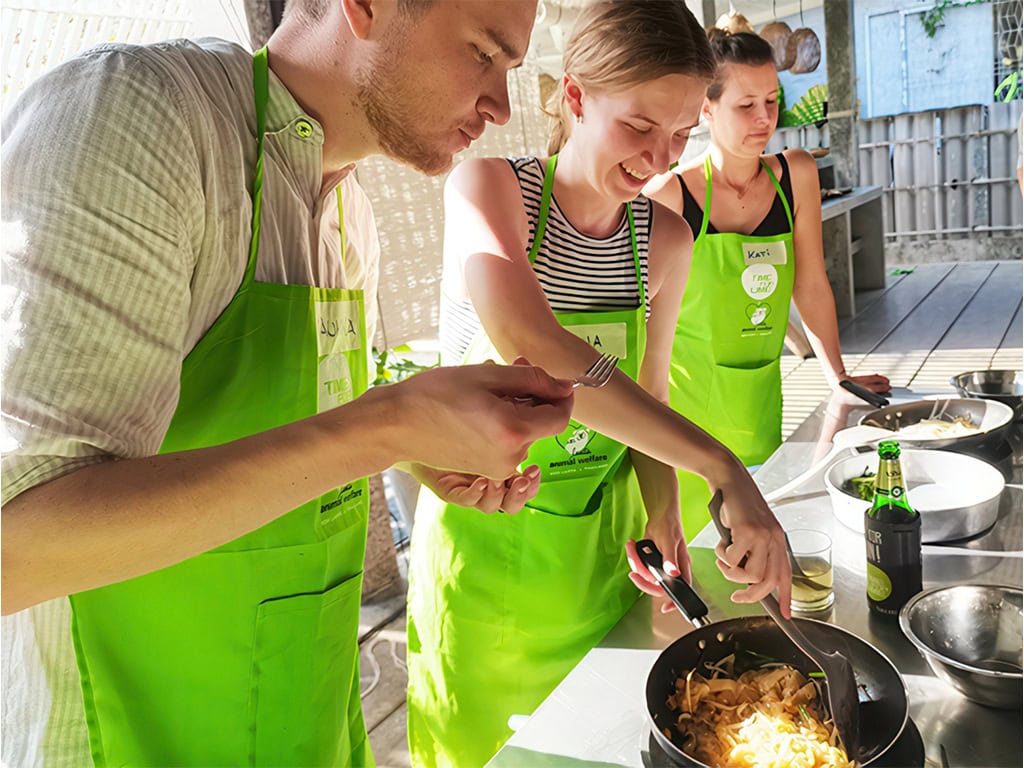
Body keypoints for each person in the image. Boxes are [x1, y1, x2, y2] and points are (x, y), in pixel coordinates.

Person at [0, 1, 576, 765]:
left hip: (310, 721)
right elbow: (19, 545)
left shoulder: (350, 215)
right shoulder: (137, 116)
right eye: (482, 53)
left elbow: (298, 433)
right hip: (133, 737)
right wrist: (385, 427)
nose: (501, 108)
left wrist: (411, 447)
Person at [405, 4, 792, 766]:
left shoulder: (667, 236)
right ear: (576, 97)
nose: (659, 157)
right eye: (639, 126)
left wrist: (663, 515)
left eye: (680, 133)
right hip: (486, 547)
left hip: (600, 550)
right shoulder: (490, 190)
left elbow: (645, 397)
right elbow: (533, 342)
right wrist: (721, 465)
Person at [644, 30, 891, 540]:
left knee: (758, 539)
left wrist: (837, 377)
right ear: (706, 111)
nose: (765, 119)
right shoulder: (670, 195)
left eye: (773, 101)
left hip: (758, 401)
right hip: (686, 410)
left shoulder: (795, 174)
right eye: (746, 105)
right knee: (697, 551)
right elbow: (639, 316)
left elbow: (811, 282)